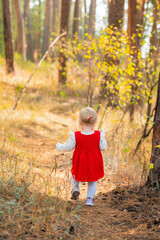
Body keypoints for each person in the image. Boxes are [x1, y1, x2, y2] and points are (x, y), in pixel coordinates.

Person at [56, 107, 107, 206]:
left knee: (74, 175)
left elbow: (68, 147)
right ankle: (89, 199)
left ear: (80, 122)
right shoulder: (98, 135)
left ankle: (75, 188)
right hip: (94, 162)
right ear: (94, 122)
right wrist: (102, 138)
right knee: (92, 180)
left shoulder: (76, 135)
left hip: (80, 162)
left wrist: (59, 146)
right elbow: (103, 147)